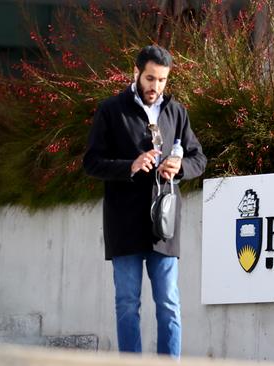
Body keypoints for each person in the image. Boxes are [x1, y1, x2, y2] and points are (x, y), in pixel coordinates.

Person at [83, 45, 206, 357]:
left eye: (162, 80)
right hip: (123, 224)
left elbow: (198, 158)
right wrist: (130, 166)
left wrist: (179, 169)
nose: (156, 86)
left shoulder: (177, 112)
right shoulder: (111, 110)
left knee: (169, 303)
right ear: (136, 73)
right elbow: (91, 162)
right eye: (151, 78)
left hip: (163, 226)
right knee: (127, 304)